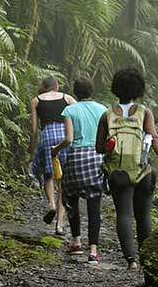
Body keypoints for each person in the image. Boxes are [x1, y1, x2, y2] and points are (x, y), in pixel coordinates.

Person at [97, 67, 158, 271]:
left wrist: (109, 146)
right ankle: (147, 260)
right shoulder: (144, 112)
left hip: (118, 173)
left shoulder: (107, 115)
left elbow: (99, 147)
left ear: (115, 89)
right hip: (142, 172)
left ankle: (131, 260)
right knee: (143, 216)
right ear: (139, 89)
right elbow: (155, 138)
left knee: (123, 214)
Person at [53, 75, 107, 262]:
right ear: (92, 91)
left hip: (76, 157)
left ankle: (76, 241)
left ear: (75, 92)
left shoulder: (70, 110)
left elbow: (68, 139)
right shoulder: (103, 109)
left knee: (71, 199)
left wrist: (55, 150)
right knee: (94, 206)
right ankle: (93, 251)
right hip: (96, 157)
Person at [29, 76, 74, 233]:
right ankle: (60, 224)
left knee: (48, 175)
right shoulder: (67, 98)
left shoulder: (36, 101)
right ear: (57, 86)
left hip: (47, 136)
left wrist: (32, 148)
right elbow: (78, 116)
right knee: (64, 181)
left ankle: (51, 205)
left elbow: (34, 129)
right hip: (64, 137)